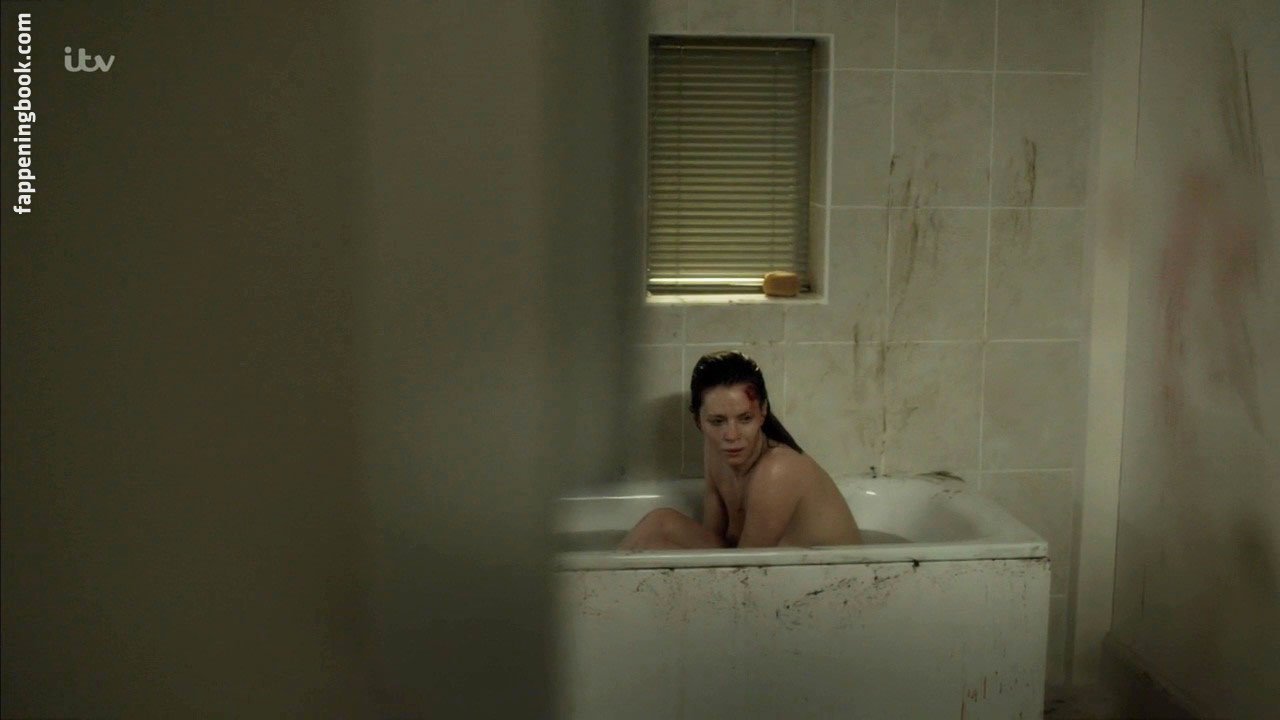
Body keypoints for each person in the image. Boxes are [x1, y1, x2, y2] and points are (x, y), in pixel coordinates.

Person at [620, 351, 861, 550]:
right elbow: (712, 545)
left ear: (762, 412)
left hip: (829, 584)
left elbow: (743, 574)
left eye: (745, 418)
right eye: (717, 421)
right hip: (763, 571)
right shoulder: (716, 450)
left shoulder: (778, 471)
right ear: (699, 421)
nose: (732, 435)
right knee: (659, 524)